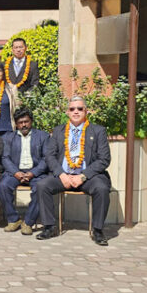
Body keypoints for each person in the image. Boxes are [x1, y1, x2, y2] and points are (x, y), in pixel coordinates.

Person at [37, 96, 111, 246]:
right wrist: (61, 174)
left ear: (86, 111)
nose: (76, 112)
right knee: (42, 185)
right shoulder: (58, 131)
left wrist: (83, 176)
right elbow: (49, 156)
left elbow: (104, 159)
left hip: (88, 176)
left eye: (79, 108)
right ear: (67, 112)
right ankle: (49, 227)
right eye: (72, 109)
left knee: (102, 188)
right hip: (63, 175)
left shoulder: (98, 131)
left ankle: (97, 230)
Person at [0, 108, 50, 235]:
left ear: (31, 121)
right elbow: (5, 158)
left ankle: (28, 222)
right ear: (16, 124)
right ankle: (13, 219)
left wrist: (33, 173)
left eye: (26, 121)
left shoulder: (43, 136)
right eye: (20, 122)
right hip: (16, 172)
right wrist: (16, 172)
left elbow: (46, 158)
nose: (24, 125)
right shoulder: (8, 137)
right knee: (3, 186)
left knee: (40, 188)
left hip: (36, 173)